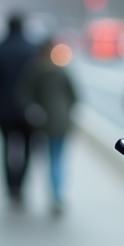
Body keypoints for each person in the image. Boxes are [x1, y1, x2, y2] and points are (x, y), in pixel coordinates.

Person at [18, 38, 78, 215]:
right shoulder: (62, 71)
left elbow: (24, 96)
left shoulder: (34, 70)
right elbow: (74, 97)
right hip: (62, 122)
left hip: (43, 123)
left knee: (47, 159)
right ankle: (57, 195)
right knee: (58, 159)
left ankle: (53, 194)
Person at [0, 14, 37, 206]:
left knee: (5, 148)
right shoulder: (32, 50)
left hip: (3, 109)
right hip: (28, 111)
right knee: (27, 149)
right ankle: (20, 185)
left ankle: (9, 186)